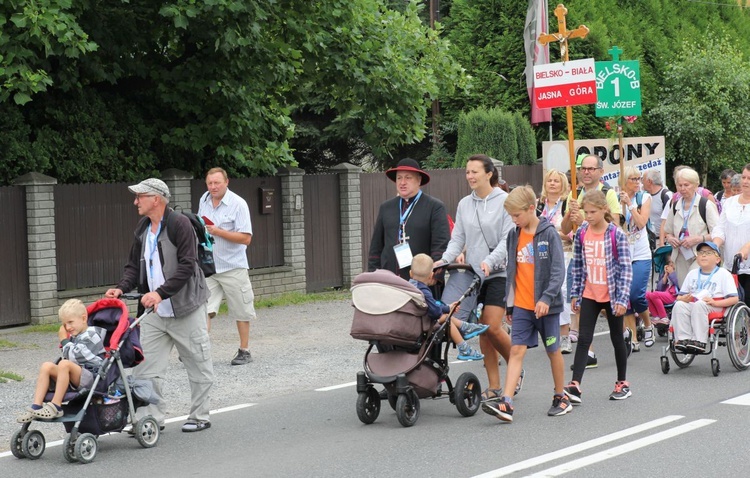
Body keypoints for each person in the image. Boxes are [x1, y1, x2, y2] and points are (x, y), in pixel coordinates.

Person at [105, 178, 215, 433]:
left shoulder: (180, 224)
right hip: (153, 311)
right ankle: (151, 419)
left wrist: (160, 293)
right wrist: (121, 287)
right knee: (145, 366)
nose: (135, 202)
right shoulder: (143, 227)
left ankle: (200, 416)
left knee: (197, 362)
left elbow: (188, 265)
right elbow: (134, 265)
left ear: (156, 199)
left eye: (139, 197)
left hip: (185, 306)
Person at [482, 186, 570, 422]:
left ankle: (561, 396)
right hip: (522, 305)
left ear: (531, 209)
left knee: (553, 351)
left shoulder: (549, 233)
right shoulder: (514, 235)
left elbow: (558, 271)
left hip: (546, 308)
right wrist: (510, 305)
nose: (514, 220)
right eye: (511, 216)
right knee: (516, 350)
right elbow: (513, 271)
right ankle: (507, 403)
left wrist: (546, 298)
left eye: (517, 215)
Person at [440, 154, 515, 404]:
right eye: (467, 172)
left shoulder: (505, 201)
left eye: (475, 172)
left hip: (498, 273)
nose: (470, 176)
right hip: (473, 275)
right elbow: (457, 240)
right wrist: (441, 262)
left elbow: (508, 240)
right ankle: (494, 385)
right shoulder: (464, 204)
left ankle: (516, 369)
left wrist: (490, 261)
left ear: (489, 174)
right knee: (483, 330)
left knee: (492, 325)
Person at [565, 190, 633, 404]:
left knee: (616, 338)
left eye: (593, 212)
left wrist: (622, 299)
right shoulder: (583, 232)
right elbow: (577, 264)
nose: (588, 216)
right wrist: (575, 292)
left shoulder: (616, 234)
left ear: (604, 210)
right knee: (584, 338)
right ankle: (575, 385)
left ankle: (622, 382)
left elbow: (625, 269)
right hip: (590, 293)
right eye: (586, 212)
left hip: (612, 294)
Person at [561, 154, 621, 368]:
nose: (586, 172)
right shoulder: (573, 195)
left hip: (604, 257)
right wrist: (572, 216)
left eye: (590, 168)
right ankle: (589, 352)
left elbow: (615, 223)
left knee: (606, 305)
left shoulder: (609, 193)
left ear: (600, 171)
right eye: (583, 168)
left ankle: (622, 331)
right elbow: (565, 229)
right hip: (582, 256)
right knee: (584, 304)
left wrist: (588, 220)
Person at [198, 167, 256, 366]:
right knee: (202, 308)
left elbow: (246, 238)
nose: (213, 187)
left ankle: (244, 350)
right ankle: (200, 350)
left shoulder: (238, 204)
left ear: (226, 182)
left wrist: (218, 231)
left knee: (241, 310)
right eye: (210, 183)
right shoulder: (204, 200)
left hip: (233, 265)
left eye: (217, 183)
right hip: (210, 266)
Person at [17, 299, 106, 422]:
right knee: (47, 366)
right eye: (65, 324)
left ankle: (56, 406)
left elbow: (75, 356)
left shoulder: (92, 335)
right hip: (74, 377)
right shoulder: (75, 336)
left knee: (64, 364)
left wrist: (64, 340)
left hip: (91, 378)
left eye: (70, 322)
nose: (68, 327)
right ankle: (36, 406)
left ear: (84, 319)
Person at [368, 158, 450, 282]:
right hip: (389, 277)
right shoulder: (386, 207)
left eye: (408, 178)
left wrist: (435, 275)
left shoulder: (434, 207)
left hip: (422, 281)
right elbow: (376, 246)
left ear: (419, 180)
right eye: (399, 178)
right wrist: (373, 274)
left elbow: (441, 245)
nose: (402, 182)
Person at [409, 254, 489, 360]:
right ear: (431, 275)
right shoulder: (424, 291)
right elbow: (435, 312)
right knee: (447, 319)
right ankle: (464, 347)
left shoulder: (408, 286)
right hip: (422, 325)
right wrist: (447, 309)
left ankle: (466, 327)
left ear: (410, 273)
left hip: (413, 321)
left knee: (445, 314)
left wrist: (447, 307)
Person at [671, 241, 739, 353]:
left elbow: (734, 299)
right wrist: (683, 299)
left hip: (716, 305)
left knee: (700, 305)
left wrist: (714, 303)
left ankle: (699, 341)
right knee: (679, 305)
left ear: (717, 259)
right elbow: (679, 297)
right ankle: (683, 339)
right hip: (694, 303)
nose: (703, 255)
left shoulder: (723, 274)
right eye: (701, 252)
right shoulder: (692, 273)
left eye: (708, 253)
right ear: (697, 258)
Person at [536, 169, 573, 354]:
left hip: (564, 254)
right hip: (541, 255)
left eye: (556, 181)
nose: (552, 184)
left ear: (563, 185)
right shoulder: (538, 205)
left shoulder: (566, 205)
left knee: (563, 292)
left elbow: (571, 234)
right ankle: (551, 336)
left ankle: (565, 335)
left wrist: (551, 234)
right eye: (549, 181)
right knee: (544, 292)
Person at [663, 167, 719, 286]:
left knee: (695, 286)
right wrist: (671, 238)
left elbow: (718, 233)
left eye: (686, 185)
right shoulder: (675, 205)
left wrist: (698, 239)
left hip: (701, 254)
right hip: (680, 255)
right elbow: (667, 231)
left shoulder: (706, 205)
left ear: (695, 185)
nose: (682, 189)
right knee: (684, 290)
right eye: (679, 185)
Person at [618, 166, 654, 351]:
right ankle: (632, 337)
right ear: (624, 181)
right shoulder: (615, 199)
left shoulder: (644, 198)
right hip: (623, 254)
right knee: (624, 298)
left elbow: (641, 224)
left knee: (636, 295)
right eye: (633, 179)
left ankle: (648, 325)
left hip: (640, 253)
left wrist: (630, 206)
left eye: (639, 178)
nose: (637, 182)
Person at [711, 164, 750, 297]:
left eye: (749, 178)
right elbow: (720, 228)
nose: (745, 181)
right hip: (730, 265)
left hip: (748, 264)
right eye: (744, 177)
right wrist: (715, 245)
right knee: (733, 306)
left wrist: (746, 248)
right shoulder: (729, 202)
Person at [641, 169, 672, 243]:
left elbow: (670, 219)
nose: (641, 182)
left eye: (643, 179)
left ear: (649, 181)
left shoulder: (666, 195)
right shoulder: (644, 197)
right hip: (649, 240)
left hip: (663, 241)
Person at [646, 259, 679, 325]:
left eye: (672, 263)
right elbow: (659, 288)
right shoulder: (665, 274)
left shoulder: (679, 272)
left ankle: (664, 317)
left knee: (655, 294)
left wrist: (672, 273)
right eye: (669, 263)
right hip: (665, 292)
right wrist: (665, 275)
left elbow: (679, 284)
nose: (671, 265)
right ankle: (656, 316)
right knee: (647, 294)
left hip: (674, 294)